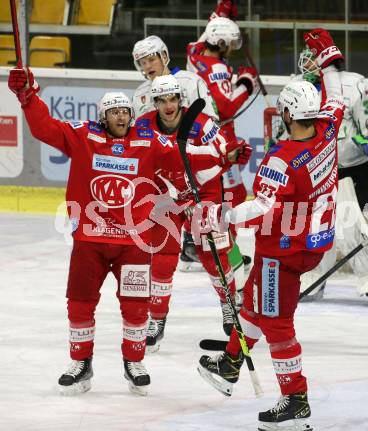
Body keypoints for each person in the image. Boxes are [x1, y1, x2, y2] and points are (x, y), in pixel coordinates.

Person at [7, 66, 242, 395]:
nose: (121, 117)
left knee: (135, 306)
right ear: (104, 117)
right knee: (79, 302)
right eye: (114, 112)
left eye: (125, 112)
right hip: (90, 240)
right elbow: (45, 128)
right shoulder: (84, 136)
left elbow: (180, 162)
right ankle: (81, 363)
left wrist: (217, 165)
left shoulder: (147, 141)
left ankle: (134, 361)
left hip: (133, 242)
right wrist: (27, 97)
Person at [196, 29, 345, 430]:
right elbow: (338, 98)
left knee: (276, 322)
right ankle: (230, 362)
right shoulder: (328, 132)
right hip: (313, 240)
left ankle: (295, 399)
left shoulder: (281, 159)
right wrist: (328, 56)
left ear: (286, 114)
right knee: (252, 301)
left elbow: (260, 209)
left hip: (284, 248)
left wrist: (220, 216)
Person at [136, 74, 252, 350]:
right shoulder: (142, 126)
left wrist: (195, 185)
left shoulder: (202, 123)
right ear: (154, 103)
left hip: (204, 192)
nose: (168, 105)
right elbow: (138, 162)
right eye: (162, 100)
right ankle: (157, 318)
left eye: (172, 98)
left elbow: (225, 157)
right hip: (166, 195)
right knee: (162, 257)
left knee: (213, 253)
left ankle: (229, 304)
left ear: (180, 99)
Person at [132, 34, 249, 280]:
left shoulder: (190, 81)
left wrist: (199, 156)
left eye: (150, 59)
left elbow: (209, 124)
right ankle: (190, 250)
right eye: (141, 62)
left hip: (196, 169)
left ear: (163, 56)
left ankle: (236, 278)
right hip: (165, 176)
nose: (147, 66)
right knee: (166, 240)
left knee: (215, 235)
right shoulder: (140, 94)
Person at [295, 44, 368, 305]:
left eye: (312, 60)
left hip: (351, 168)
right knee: (314, 225)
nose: (305, 65)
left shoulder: (353, 84)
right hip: (316, 170)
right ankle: (312, 277)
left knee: (354, 226)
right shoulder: (299, 87)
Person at [186, 1, 257, 263]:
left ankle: (195, 245)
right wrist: (246, 82)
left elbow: (209, 31)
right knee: (232, 196)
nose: (231, 49)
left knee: (204, 192)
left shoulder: (195, 52)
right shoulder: (216, 69)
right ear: (221, 42)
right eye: (229, 43)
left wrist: (222, 10)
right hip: (219, 137)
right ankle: (225, 252)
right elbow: (226, 107)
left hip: (200, 135)